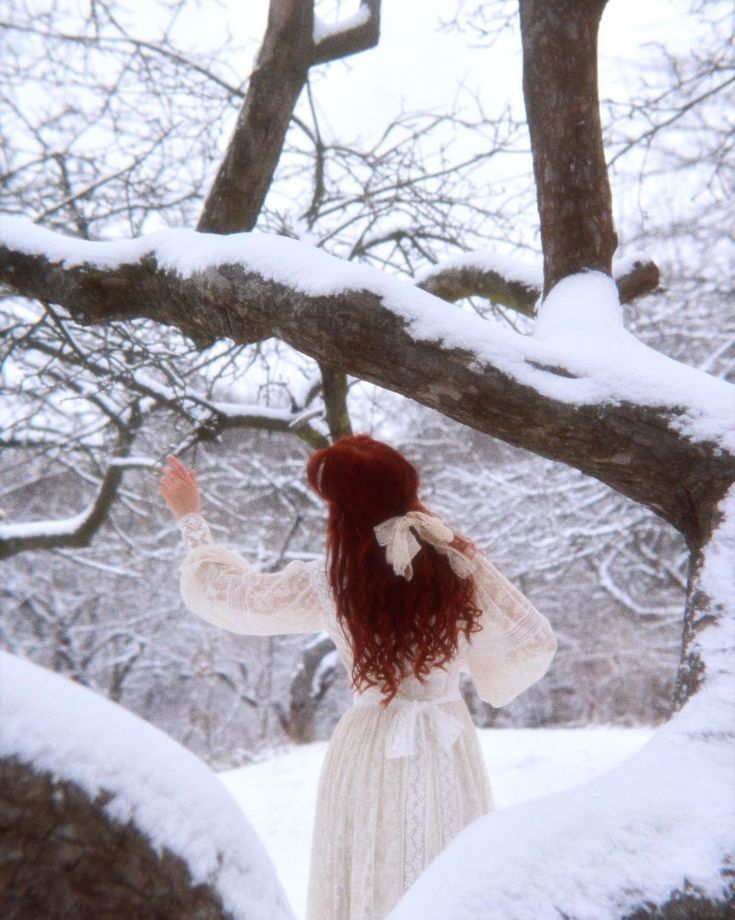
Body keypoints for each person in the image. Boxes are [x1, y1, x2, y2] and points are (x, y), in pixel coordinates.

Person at [160, 434, 557, 920]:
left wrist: (191, 520)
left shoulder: (330, 582)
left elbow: (229, 596)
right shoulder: (456, 563)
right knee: (449, 870)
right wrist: (481, 672)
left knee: (371, 873)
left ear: (342, 511)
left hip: (371, 744)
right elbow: (532, 638)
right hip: (449, 742)